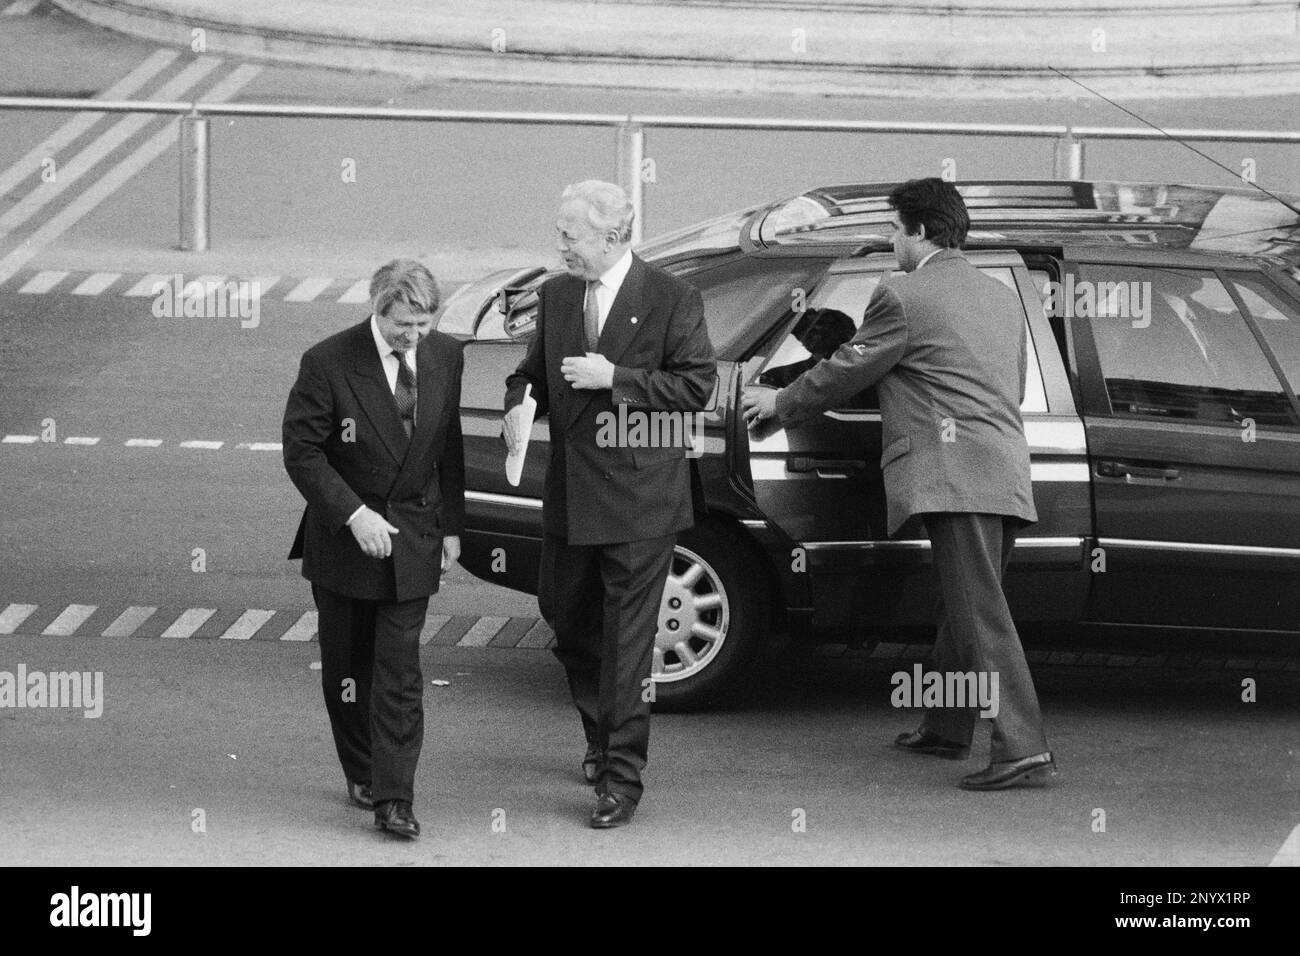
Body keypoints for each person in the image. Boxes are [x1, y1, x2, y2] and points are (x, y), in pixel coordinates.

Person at [742, 178, 1054, 791]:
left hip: (954, 474)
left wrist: (780, 402)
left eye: (892, 228)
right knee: (960, 607)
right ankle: (947, 727)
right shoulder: (1001, 298)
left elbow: (846, 369)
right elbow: (1007, 387)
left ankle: (1023, 746)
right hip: (1001, 469)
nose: (890, 240)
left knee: (980, 615)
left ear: (918, 230)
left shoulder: (903, 296)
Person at [503, 180, 716, 827]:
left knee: (627, 647)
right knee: (567, 620)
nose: (561, 244)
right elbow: (530, 372)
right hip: (570, 498)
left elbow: (696, 386)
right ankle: (600, 735)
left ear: (613, 237)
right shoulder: (558, 293)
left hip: (638, 503)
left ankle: (621, 780)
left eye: (571, 234)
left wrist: (615, 378)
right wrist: (518, 407)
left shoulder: (671, 298)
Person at [283, 258, 465, 838]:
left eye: (423, 325)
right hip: (346, 542)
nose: (413, 338)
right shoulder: (328, 362)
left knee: (399, 671)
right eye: (402, 326)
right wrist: (353, 514)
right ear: (377, 308)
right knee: (348, 668)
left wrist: (453, 526)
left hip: (414, 536)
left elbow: (446, 442)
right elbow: (303, 452)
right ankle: (360, 769)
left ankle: (394, 798)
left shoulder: (446, 356)